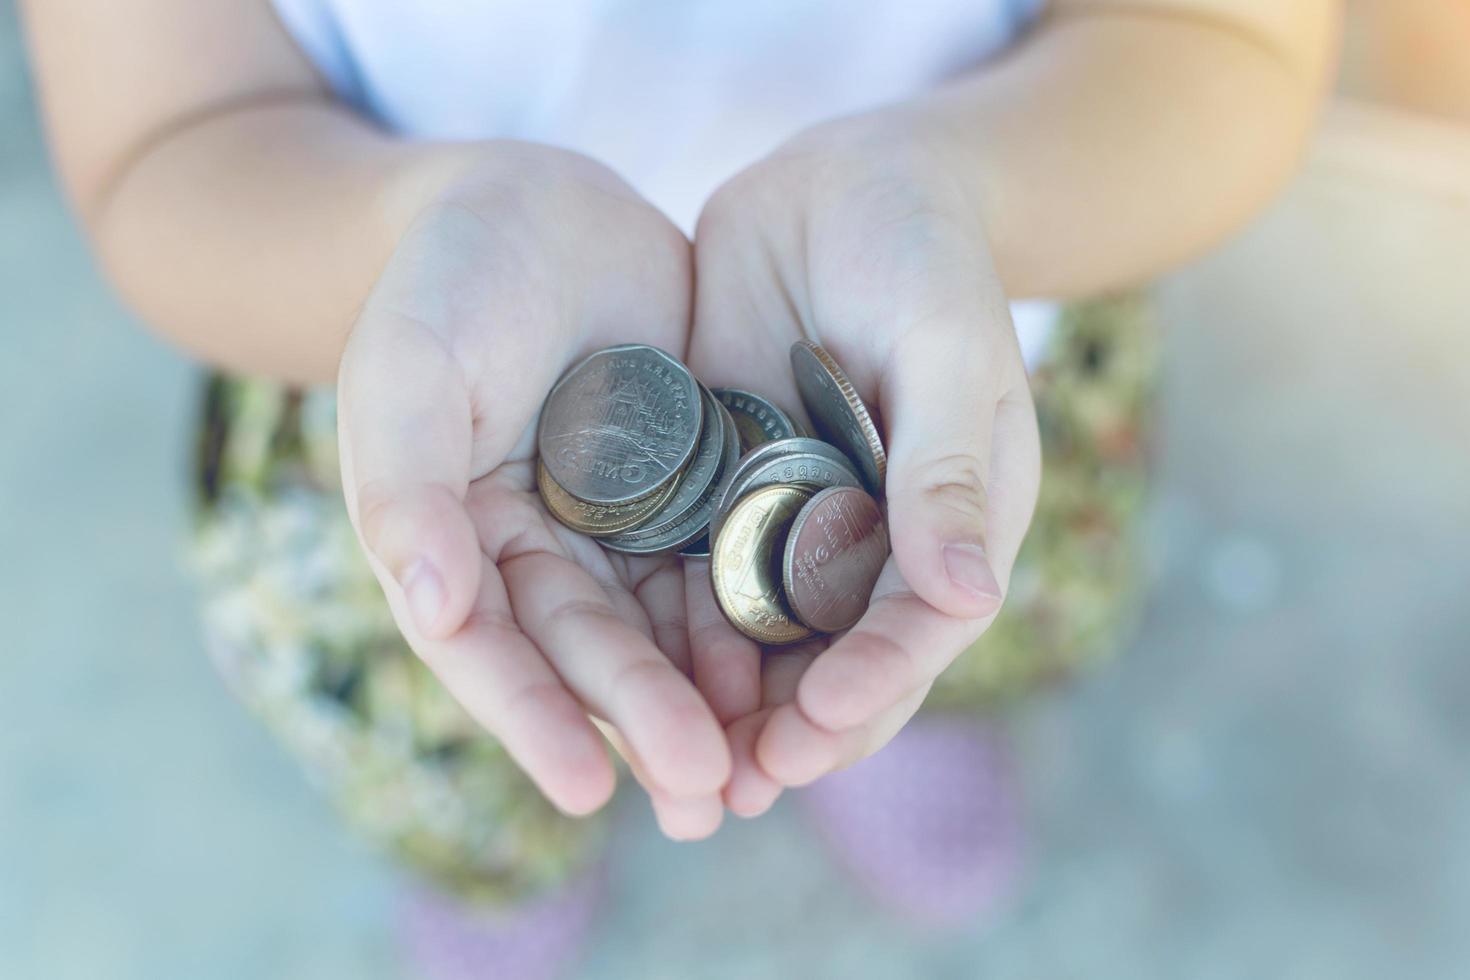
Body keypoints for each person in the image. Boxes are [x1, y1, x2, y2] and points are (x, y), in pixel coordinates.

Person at [23, 0, 1337, 974]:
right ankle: (495, 865)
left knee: (944, 592)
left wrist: (952, 188)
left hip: (957, 339)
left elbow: (1223, 39)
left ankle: (905, 711)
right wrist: (415, 231)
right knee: (456, 722)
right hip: (399, 378)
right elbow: (165, 145)